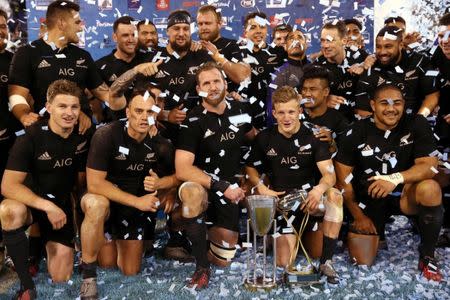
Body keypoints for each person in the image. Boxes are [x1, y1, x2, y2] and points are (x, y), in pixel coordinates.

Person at [334, 83, 443, 282]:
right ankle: (374, 229)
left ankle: (428, 254)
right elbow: (342, 180)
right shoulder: (356, 130)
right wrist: (358, 216)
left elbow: (431, 166)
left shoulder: (417, 124)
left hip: (404, 195)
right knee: (363, 260)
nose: (392, 109)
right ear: (373, 105)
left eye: (397, 103)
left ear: (404, 105)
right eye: (385, 103)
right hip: (369, 199)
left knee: (431, 188)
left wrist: (394, 179)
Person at [79, 86, 179, 299]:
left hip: (134, 212)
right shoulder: (106, 134)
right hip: (106, 202)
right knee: (96, 207)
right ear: (127, 112)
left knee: (129, 270)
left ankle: (136, 242)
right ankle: (88, 273)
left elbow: (178, 176)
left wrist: (165, 187)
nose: (144, 117)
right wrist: (137, 201)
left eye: (150, 112)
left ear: (156, 114)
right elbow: (94, 184)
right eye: (138, 111)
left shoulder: (162, 145)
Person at [0, 79, 90, 299]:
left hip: (61, 208)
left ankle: (37, 246)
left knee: (61, 276)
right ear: (48, 108)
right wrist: (46, 205)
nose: (69, 113)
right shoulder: (31, 136)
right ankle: (26, 284)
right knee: (9, 210)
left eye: (74, 107)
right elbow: (8, 185)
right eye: (62, 106)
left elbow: (81, 184)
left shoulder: (84, 134)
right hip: (34, 204)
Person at [245, 85, 343, 283]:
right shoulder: (264, 137)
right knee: (283, 263)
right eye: (281, 112)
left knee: (335, 195)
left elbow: (329, 175)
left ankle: (327, 262)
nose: (286, 117)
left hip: (310, 202)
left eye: (291, 111)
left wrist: (318, 190)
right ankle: (280, 236)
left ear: (300, 111)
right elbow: (250, 169)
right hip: (283, 207)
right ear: (274, 113)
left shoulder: (314, 135)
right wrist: (262, 187)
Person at [174, 62, 256, 289]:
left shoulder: (240, 111)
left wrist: (252, 176)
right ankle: (201, 266)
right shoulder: (192, 121)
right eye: (206, 83)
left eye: (216, 81)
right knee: (192, 192)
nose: (212, 87)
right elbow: (182, 169)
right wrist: (220, 186)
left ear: (225, 83)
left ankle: (195, 232)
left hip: (231, 189)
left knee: (224, 259)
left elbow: (255, 139)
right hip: (205, 187)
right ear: (199, 89)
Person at [8, 0, 115, 132]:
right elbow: (16, 95)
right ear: (61, 23)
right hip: (46, 134)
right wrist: (24, 115)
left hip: (82, 133)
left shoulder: (83, 55)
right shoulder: (28, 52)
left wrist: (127, 83)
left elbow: (106, 94)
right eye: (77, 22)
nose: (81, 27)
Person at [354, 26, 440, 118]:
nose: (383, 52)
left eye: (388, 46)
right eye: (378, 47)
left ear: (401, 45)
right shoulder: (370, 66)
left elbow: (432, 94)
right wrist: (385, 124)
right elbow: (361, 109)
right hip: (380, 126)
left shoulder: (419, 61)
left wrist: (420, 119)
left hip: (415, 122)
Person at [94, 16, 147, 122]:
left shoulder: (148, 58)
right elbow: (95, 97)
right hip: (114, 125)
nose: (131, 40)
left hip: (146, 123)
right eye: (125, 35)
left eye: (134, 35)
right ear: (115, 37)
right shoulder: (100, 66)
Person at [315, 20, 369, 121]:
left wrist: (363, 65)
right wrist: (323, 100)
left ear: (344, 40)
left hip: (361, 121)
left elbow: (378, 59)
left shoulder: (360, 55)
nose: (325, 45)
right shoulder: (316, 67)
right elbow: (301, 96)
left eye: (330, 40)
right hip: (334, 123)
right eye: (322, 40)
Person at [241, 11, 286, 129]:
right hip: (246, 117)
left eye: (262, 27)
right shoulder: (237, 54)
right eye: (253, 27)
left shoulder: (279, 53)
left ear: (267, 30)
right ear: (245, 32)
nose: (258, 31)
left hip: (275, 117)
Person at [196, 4, 251, 94]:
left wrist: (217, 56)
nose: (203, 27)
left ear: (220, 24)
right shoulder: (194, 48)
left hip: (228, 105)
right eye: (200, 24)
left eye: (208, 23)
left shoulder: (233, 45)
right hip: (199, 106)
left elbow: (243, 78)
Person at [430, 13, 450, 247]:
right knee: (441, 174)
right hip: (443, 132)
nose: (444, 40)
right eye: (440, 35)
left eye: (449, 35)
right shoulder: (436, 56)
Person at [0, 8, 17, 269]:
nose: (1, 32)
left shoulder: (15, 60)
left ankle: (11, 249)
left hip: (9, 145)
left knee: (8, 202)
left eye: (3, 26)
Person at [300, 64, 349, 153]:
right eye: (304, 89)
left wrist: (330, 142)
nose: (307, 94)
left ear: (326, 92)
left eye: (312, 89)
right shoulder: (294, 115)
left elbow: (345, 156)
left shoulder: (339, 121)